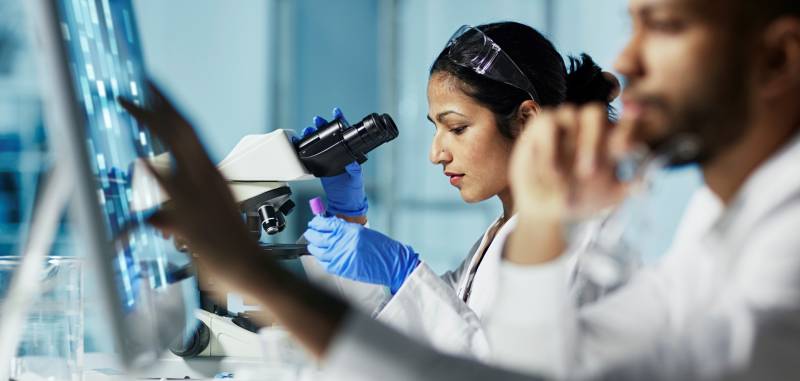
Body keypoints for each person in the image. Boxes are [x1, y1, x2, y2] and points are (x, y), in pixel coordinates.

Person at [118, 0, 800, 378]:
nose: (625, 61)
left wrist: (258, 274)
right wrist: (352, 224)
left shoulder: (779, 250)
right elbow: (447, 345)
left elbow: (479, 366)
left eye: (667, 25)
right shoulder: (718, 225)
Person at [297, 22, 619, 368]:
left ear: (526, 120)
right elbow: (413, 343)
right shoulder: (500, 237)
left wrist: (406, 274)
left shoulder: (568, 242)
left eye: (457, 128)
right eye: (436, 128)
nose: (436, 153)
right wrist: (350, 219)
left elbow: (499, 373)